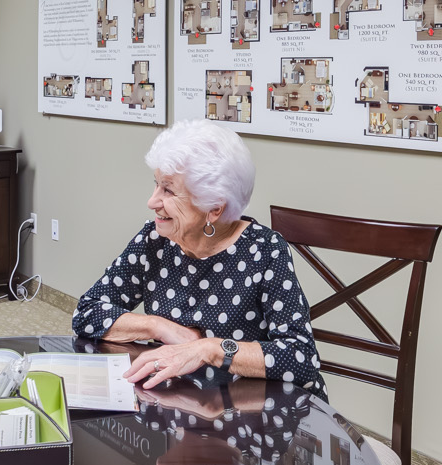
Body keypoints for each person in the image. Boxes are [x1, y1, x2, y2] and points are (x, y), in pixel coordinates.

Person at [72, 119, 321, 389]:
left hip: (249, 408)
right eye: (156, 184)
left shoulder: (265, 251)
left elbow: (301, 358)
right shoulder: (155, 240)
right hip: (180, 399)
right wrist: (158, 326)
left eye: (168, 189)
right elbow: (87, 312)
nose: (152, 201)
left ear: (213, 208)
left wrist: (208, 349)